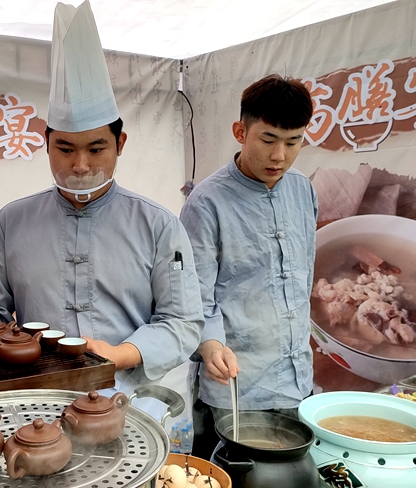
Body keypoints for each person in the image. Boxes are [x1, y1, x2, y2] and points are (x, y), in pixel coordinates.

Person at [0, 1, 203, 413]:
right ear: (45, 143)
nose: (80, 165)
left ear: (120, 145)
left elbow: (181, 322)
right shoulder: (14, 220)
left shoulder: (158, 225)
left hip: (130, 402)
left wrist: (121, 353)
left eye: (96, 148)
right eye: (64, 148)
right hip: (36, 401)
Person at [179, 74, 317, 460]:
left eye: (294, 143)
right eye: (268, 140)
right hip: (236, 386)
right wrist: (209, 344)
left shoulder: (303, 189)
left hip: (296, 379)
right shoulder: (207, 203)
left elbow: (303, 272)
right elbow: (193, 294)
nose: (280, 157)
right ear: (241, 131)